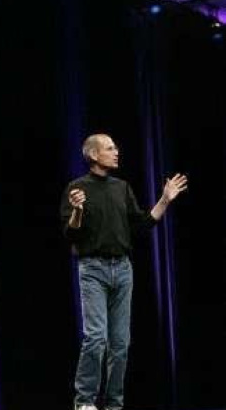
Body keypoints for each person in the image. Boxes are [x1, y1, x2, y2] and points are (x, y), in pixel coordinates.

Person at [60, 133, 187, 410]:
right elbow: (71, 234)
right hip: (93, 269)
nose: (116, 151)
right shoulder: (77, 187)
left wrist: (165, 200)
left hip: (122, 269)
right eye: (110, 148)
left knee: (120, 343)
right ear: (94, 155)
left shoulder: (121, 187)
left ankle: (114, 405)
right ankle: (84, 402)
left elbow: (141, 225)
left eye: (115, 147)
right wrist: (78, 209)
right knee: (96, 338)